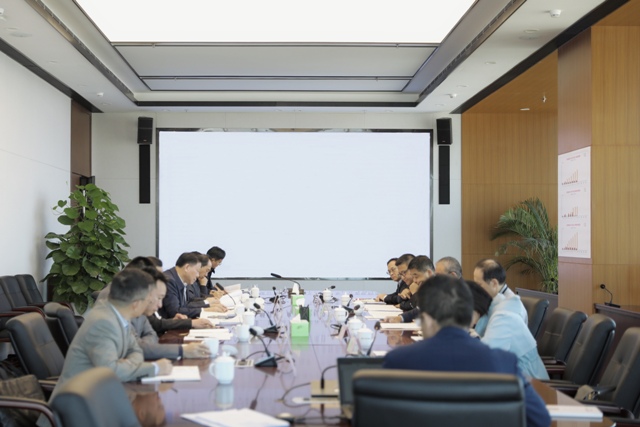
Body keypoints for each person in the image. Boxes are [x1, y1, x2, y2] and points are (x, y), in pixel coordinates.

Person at [383, 275, 551, 427]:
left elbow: (380, 417)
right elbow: (540, 419)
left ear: (426, 319)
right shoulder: (503, 361)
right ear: (470, 317)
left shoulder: (398, 360)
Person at [51, 269, 173, 395]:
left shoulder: (119, 316)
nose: (154, 304)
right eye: (148, 300)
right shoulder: (103, 322)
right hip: (78, 400)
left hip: (100, 392)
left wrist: (126, 364)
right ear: (136, 304)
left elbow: (136, 350)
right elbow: (111, 372)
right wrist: (155, 368)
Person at [130, 266, 212, 360]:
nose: (160, 305)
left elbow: (151, 334)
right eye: (158, 298)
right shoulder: (125, 316)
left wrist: (146, 345)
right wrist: (182, 350)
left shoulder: (141, 314)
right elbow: (139, 347)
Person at [160, 252, 226, 319]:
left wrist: (208, 304)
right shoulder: (169, 281)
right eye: (197, 271)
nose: (197, 275)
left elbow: (188, 303)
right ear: (187, 267)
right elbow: (175, 311)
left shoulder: (179, 278)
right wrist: (204, 310)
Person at [473, 258, 527, 334]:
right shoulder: (491, 298)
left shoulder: (510, 307)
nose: (476, 288)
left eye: (479, 285)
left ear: (494, 283)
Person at [384, 255, 435, 323]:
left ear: (429, 273)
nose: (414, 280)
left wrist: (414, 293)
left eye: (416, 276)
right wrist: (400, 318)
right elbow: (419, 309)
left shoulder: (440, 289)